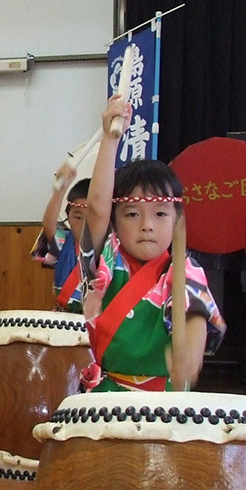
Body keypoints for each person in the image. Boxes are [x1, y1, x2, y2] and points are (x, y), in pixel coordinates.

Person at [80, 94, 225, 392]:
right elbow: (96, 207)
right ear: (115, 223)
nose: (147, 225)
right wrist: (110, 139)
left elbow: (194, 313)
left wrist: (190, 356)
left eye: (160, 214)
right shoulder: (103, 262)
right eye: (132, 214)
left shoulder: (183, 270)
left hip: (163, 402)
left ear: (177, 220)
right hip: (101, 397)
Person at [31, 164, 89, 313]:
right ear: (67, 218)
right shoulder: (65, 242)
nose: (84, 225)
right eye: (77, 217)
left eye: (92, 217)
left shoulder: (112, 250)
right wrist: (60, 189)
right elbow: (49, 225)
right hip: (64, 317)